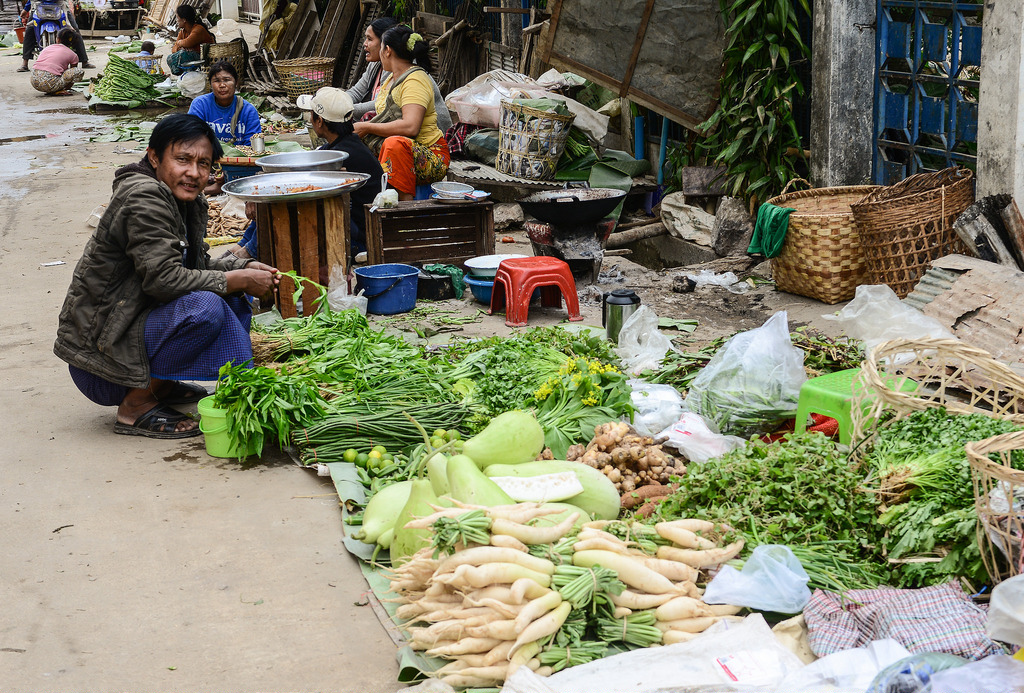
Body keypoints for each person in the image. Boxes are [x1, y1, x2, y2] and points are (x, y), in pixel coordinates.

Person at [53, 113, 280, 439]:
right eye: (183, 159)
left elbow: (194, 268)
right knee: (205, 307)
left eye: (203, 164)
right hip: (100, 361)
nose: (194, 172)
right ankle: (136, 406)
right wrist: (235, 280)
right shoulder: (145, 197)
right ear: (155, 156)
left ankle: (161, 385)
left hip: (124, 337)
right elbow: (164, 281)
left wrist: (239, 268)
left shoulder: (182, 199)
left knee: (222, 291)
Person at [353, 25, 451, 201]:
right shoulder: (391, 78)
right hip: (406, 150)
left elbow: (411, 127)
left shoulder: (415, 80)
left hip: (432, 154)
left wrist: (367, 127)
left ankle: (404, 210)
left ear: (387, 50)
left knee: (394, 144)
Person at [297, 87, 383, 255]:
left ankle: (247, 249)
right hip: (359, 229)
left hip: (358, 239)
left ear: (319, 121)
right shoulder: (344, 144)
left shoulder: (342, 155)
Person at [187, 60, 261, 147]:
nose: (222, 85)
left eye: (227, 80)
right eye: (217, 81)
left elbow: (253, 144)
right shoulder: (200, 105)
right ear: (210, 84)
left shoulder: (248, 110)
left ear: (236, 83)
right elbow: (192, 138)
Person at [18, 0, 92, 72]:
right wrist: (26, 9)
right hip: (39, 6)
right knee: (29, 30)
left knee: (74, 30)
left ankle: (84, 60)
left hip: (60, 6)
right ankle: (25, 62)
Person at [346, 16, 396, 120]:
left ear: (385, 43)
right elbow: (357, 92)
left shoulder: (399, 69)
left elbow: (383, 105)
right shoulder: (376, 64)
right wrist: (335, 100)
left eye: (369, 39)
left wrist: (344, 109)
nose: (365, 44)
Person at [25, 27, 83, 94]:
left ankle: (53, 89)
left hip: (34, 81)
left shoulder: (48, 48)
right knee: (78, 71)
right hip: (50, 84)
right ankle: (57, 90)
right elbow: (72, 75)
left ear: (57, 39)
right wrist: (67, 88)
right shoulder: (73, 55)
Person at [166, 4, 215, 76]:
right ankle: (185, 76)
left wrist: (180, 44)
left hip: (205, 58)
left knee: (183, 54)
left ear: (184, 20)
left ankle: (188, 75)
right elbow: (174, 50)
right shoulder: (182, 32)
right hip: (193, 59)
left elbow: (187, 43)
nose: (176, 20)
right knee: (170, 58)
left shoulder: (198, 29)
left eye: (177, 18)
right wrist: (182, 47)